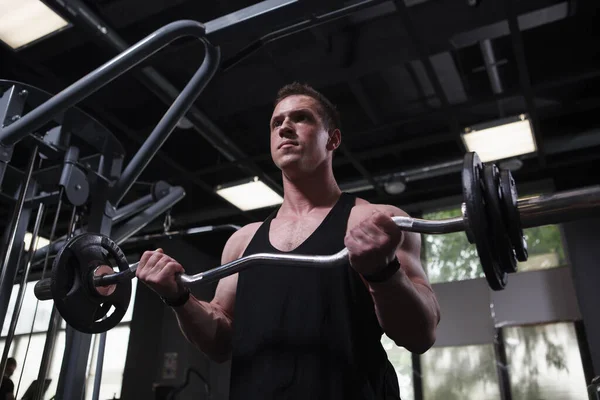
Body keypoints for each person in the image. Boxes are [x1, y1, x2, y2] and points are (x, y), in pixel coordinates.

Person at [137, 83, 441, 399]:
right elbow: (220, 341)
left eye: (301, 118)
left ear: (332, 139)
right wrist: (178, 298)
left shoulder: (377, 221)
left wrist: (384, 274)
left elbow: (421, 335)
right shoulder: (243, 242)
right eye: (276, 122)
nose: (285, 127)